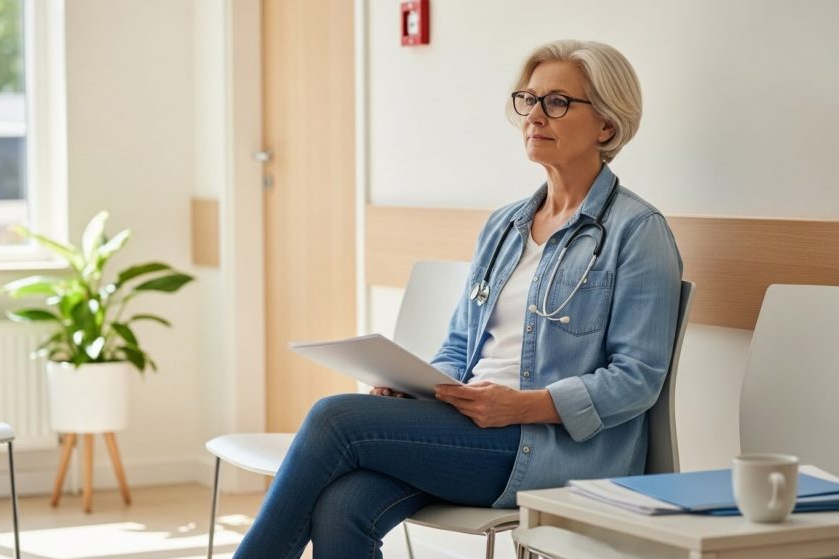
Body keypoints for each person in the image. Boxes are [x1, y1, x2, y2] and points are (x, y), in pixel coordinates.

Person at [233, 39, 682, 559]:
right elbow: (462, 345)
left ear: (606, 125)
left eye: (557, 102)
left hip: (553, 451)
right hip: (472, 431)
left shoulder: (638, 231)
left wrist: (522, 406)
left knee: (336, 418)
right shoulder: (504, 226)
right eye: (528, 99)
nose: (535, 115)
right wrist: (418, 389)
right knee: (342, 507)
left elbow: (638, 378)